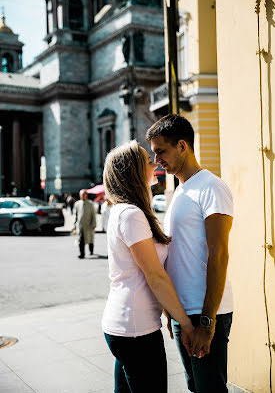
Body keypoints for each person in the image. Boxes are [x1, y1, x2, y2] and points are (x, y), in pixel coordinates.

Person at [102, 140, 203, 393]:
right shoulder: (131, 215)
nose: (155, 162)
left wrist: (168, 312)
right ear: (134, 171)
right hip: (136, 330)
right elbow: (155, 276)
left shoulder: (124, 211)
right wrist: (186, 325)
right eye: (149, 160)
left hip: (126, 326)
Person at [146, 114, 234, 393]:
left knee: (209, 388)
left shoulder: (212, 187)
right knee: (194, 387)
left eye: (161, 151)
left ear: (182, 146)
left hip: (204, 313)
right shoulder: (181, 191)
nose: (157, 160)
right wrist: (171, 310)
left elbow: (219, 255)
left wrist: (207, 323)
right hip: (183, 314)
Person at [73, 189, 96, 259]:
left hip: (88, 225)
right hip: (80, 225)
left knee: (90, 239)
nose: (82, 196)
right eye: (81, 195)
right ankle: (82, 254)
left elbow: (93, 215)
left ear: (86, 195)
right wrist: (74, 225)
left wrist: (94, 224)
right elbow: (75, 215)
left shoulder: (90, 204)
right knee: (80, 240)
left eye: (84, 195)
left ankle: (91, 250)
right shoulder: (77, 204)